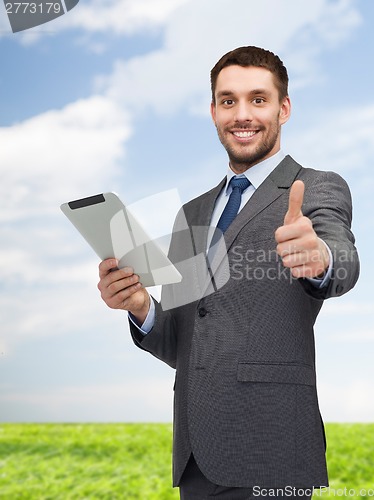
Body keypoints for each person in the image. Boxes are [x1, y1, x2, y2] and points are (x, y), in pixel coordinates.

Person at [98, 46, 360, 499]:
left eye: (258, 99)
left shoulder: (316, 186)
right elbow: (181, 344)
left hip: (273, 450)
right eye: (228, 100)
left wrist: (320, 256)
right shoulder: (192, 212)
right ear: (214, 111)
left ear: (284, 108)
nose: (243, 114)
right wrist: (141, 306)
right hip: (197, 455)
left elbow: (342, 258)